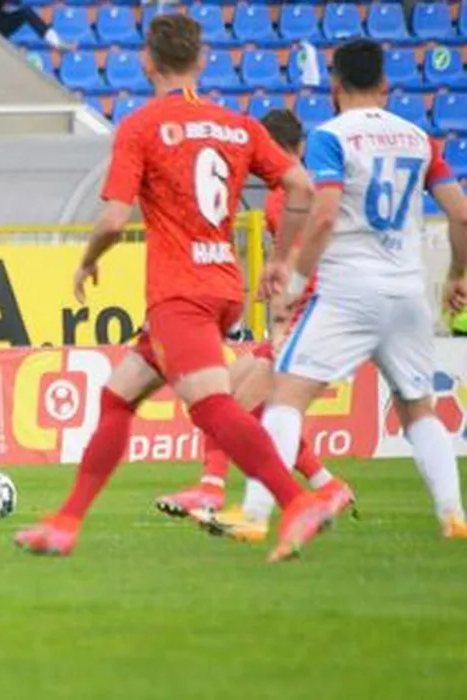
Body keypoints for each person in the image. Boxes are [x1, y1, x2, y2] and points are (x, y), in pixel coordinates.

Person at [12, 15, 350, 563]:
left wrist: (87, 262)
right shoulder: (238, 126)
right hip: (222, 285)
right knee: (117, 396)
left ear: (147, 62)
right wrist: (281, 259)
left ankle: (298, 502)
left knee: (213, 407)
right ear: (202, 60)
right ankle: (65, 523)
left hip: (180, 292)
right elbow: (300, 186)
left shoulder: (142, 126)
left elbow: (112, 221)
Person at [199, 39, 467, 541]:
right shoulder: (419, 139)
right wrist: (457, 275)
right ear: (385, 84)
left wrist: (295, 282)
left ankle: (255, 515)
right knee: (418, 408)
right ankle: (453, 514)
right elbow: (461, 214)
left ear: (335, 85)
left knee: (284, 397)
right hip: (407, 293)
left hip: (348, 292)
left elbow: (323, 216)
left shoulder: (331, 137)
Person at [152, 109, 336, 528]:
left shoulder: (283, 198)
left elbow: (296, 261)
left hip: (304, 316)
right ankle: (327, 486)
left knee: (228, 406)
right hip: (313, 311)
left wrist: (283, 313)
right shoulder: (320, 190)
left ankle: (216, 491)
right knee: (231, 396)